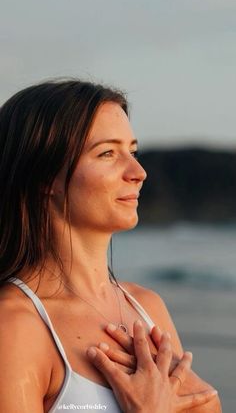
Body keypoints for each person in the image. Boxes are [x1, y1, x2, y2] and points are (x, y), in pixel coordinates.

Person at [0, 80, 221, 412]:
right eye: (107, 153)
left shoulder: (148, 308)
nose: (138, 172)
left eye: (132, 151)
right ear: (45, 178)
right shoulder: (14, 325)